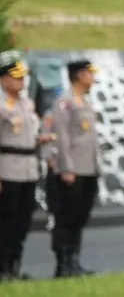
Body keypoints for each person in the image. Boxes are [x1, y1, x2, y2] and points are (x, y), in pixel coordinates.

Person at [45, 58, 99, 278]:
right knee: (65, 217)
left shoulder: (84, 102)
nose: (93, 78)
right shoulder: (64, 102)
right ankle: (63, 263)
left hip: (88, 169)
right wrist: (66, 168)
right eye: (90, 73)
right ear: (80, 75)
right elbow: (63, 138)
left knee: (79, 216)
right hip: (72, 170)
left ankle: (74, 261)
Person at [0, 53, 50, 280]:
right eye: (16, 78)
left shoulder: (26, 104)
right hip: (7, 170)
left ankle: (14, 266)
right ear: (3, 79)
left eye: (23, 78)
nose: (21, 82)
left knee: (22, 222)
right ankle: (3, 269)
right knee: (6, 222)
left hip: (28, 170)